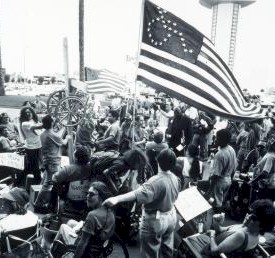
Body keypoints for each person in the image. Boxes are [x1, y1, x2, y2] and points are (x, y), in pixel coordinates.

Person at [103, 148, 181, 258]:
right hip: (170, 216)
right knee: (167, 250)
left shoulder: (156, 181)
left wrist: (117, 199)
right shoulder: (175, 178)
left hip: (156, 220)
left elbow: (136, 194)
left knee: (150, 253)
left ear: (158, 161)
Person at [185, 199, 275, 257]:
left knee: (188, 239)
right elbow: (220, 230)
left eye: (254, 218)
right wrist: (216, 222)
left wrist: (212, 235)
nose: (248, 217)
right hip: (214, 245)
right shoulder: (249, 230)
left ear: (262, 226)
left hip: (207, 253)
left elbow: (214, 251)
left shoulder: (241, 235)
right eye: (250, 213)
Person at [50, 182, 115, 258]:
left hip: (88, 251)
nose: (87, 196)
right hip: (99, 246)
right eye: (87, 193)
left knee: (63, 227)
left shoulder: (92, 215)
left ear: (101, 197)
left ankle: (51, 251)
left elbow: (83, 243)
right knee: (71, 222)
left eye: (91, 194)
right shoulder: (110, 211)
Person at [34, 115, 71, 213]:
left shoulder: (43, 134)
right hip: (53, 162)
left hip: (48, 161)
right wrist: (68, 136)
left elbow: (57, 136)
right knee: (48, 184)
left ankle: (42, 203)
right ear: (51, 123)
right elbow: (63, 142)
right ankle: (38, 204)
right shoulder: (52, 135)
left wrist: (63, 128)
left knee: (45, 183)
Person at [49, 146, 92, 215]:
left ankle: (52, 209)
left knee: (55, 186)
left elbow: (54, 178)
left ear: (76, 157)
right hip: (84, 195)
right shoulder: (91, 168)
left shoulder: (68, 169)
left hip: (69, 195)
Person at [208, 129, 237, 212]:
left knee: (216, 204)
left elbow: (216, 175)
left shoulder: (220, 154)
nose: (215, 140)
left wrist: (210, 190)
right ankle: (218, 218)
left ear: (222, 140)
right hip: (228, 179)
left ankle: (216, 220)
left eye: (217, 138)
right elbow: (234, 167)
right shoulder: (231, 149)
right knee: (221, 201)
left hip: (219, 181)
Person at [19, 106, 43, 184]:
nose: (28, 114)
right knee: (35, 168)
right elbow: (40, 126)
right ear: (23, 115)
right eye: (26, 113)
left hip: (38, 146)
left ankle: (18, 183)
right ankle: (38, 184)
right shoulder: (25, 124)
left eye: (29, 112)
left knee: (30, 167)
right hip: (31, 148)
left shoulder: (34, 120)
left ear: (32, 113)